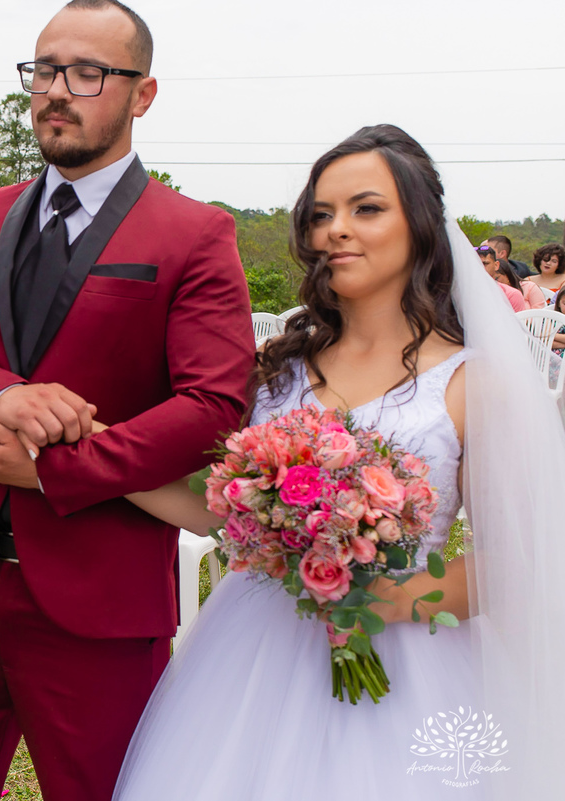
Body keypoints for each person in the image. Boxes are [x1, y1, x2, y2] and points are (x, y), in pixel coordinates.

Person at [102, 124, 565, 800]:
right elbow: (225, 512)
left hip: (409, 658)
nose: (335, 230)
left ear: (423, 227)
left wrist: (395, 595)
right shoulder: (275, 369)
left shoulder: (472, 381)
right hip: (250, 648)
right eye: (321, 214)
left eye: (365, 208)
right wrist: (97, 460)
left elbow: (519, 563)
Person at [0, 1, 256, 797]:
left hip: (100, 594)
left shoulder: (194, 233)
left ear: (142, 94)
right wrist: (1, 392)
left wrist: (58, 468)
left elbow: (216, 405)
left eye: (88, 73)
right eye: (44, 70)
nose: (58, 89)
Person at [478, 244, 529, 312]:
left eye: (485, 264)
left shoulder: (512, 295)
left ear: (496, 265)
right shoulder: (461, 293)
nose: (480, 267)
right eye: (476, 264)